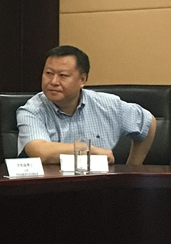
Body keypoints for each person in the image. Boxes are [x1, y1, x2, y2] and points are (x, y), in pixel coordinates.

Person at [17, 45, 156, 164]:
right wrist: (91, 151)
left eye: (63, 75)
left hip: (100, 184)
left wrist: (132, 169)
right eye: (48, 73)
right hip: (51, 185)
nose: (53, 81)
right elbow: (41, 152)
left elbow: (148, 123)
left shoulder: (108, 105)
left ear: (82, 79)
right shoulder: (32, 110)